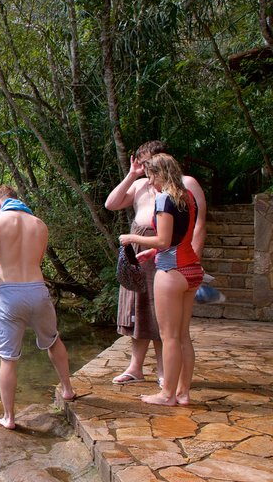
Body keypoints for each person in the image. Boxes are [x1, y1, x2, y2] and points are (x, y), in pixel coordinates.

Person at [104, 141, 207, 386]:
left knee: (166, 322)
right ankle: (137, 368)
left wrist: (194, 258)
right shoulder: (141, 183)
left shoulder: (184, 186)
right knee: (137, 311)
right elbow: (110, 204)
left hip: (172, 255)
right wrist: (132, 175)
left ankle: (166, 375)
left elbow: (198, 224)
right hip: (147, 252)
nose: (144, 170)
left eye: (146, 164)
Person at [0, 186, 75, 429]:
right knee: (53, 341)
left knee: (8, 359)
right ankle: (68, 389)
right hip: (37, 290)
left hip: (9, 293)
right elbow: (37, 260)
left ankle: (9, 417)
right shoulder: (39, 224)